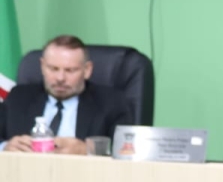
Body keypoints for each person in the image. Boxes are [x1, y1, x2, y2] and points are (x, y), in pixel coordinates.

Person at [0, 35, 130, 153]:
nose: (60, 78)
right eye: (53, 69)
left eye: (70, 70)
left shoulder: (111, 103)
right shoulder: (19, 97)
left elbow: (125, 150)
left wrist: (87, 150)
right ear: (42, 66)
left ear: (87, 70)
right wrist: (5, 146)